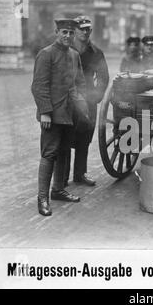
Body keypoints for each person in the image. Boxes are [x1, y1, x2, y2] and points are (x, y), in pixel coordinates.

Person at [31, 19, 85, 216]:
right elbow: (38, 86)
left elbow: (80, 83)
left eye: (71, 33)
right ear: (56, 32)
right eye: (64, 32)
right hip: (52, 115)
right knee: (49, 154)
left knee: (64, 152)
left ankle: (58, 190)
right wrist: (45, 111)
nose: (67, 36)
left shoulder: (74, 55)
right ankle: (42, 198)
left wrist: (81, 105)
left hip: (69, 113)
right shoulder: (46, 54)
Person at [63, 16, 109, 187]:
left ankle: (80, 174)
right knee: (65, 138)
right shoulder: (65, 49)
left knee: (84, 138)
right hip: (67, 100)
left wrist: (96, 96)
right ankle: (62, 178)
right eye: (81, 28)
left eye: (87, 29)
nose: (84, 31)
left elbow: (103, 77)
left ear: (90, 31)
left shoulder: (96, 52)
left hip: (88, 100)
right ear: (74, 30)